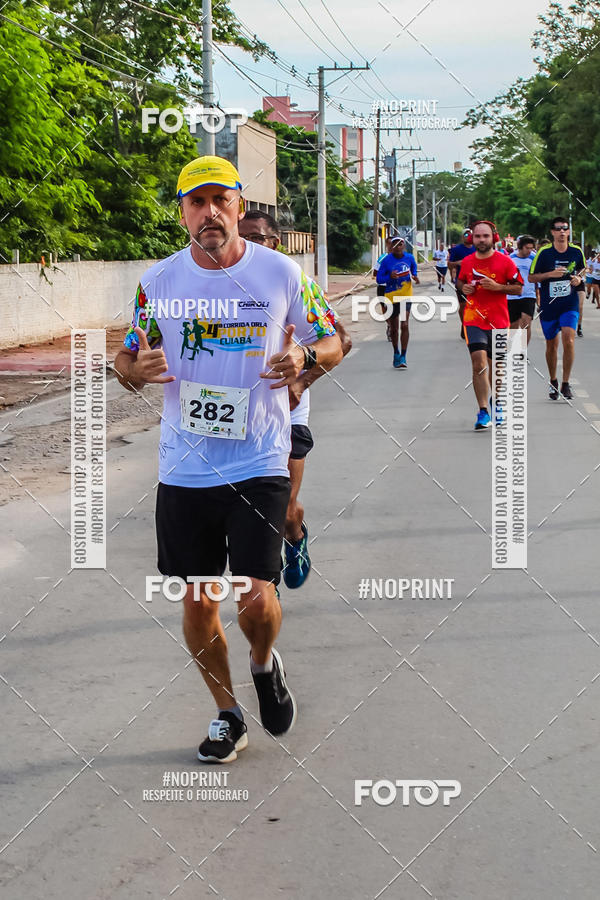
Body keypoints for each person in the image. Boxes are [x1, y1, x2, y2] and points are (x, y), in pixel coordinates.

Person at [113, 156, 343, 763]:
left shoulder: (280, 273)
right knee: (197, 598)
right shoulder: (157, 283)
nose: (209, 211)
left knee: (254, 596)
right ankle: (227, 714)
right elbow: (126, 359)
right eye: (196, 201)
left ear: (240, 205)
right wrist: (133, 369)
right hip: (184, 465)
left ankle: (264, 664)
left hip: (259, 457)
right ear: (183, 211)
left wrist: (306, 360)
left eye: (220, 199)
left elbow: (333, 339)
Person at [238, 210, 352, 590]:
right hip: (232, 415)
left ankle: (295, 537)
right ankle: (259, 582)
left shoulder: (291, 280)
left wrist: (302, 379)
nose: (248, 245)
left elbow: (342, 341)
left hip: (287, 412)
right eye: (242, 237)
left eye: (257, 238)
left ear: (275, 243)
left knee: (282, 507)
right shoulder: (216, 282)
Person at [456, 220, 523, 430]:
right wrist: (464, 288)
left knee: (497, 367)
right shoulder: (467, 262)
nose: (481, 240)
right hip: (473, 319)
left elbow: (518, 288)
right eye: (477, 236)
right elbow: (460, 282)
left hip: (499, 321)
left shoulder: (505, 262)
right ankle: (483, 410)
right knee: (478, 363)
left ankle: (498, 404)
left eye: (485, 236)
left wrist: (497, 287)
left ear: (493, 237)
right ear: (471, 238)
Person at [529, 216, 585, 400]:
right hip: (549, 304)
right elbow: (531, 278)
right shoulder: (544, 253)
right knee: (552, 344)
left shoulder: (577, 252)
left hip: (569, 303)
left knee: (569, 339)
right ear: (552, 232)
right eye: (558, 228)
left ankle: (566, 383)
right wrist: (550, 274)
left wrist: (578, 279)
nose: (562, 231)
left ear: (568, 232)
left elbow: (582, 271)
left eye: (565, 228)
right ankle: (553, 380)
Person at [376, 236, 419, 368]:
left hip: (406, 295)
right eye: (395, 244)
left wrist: (415, 276)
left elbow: (414, 269)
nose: (398, 247)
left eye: (400, 244)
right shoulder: (386, 260)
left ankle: (403, 356)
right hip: (391, 296)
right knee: (394, 328)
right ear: (391, 247)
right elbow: (378, 278)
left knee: (404, 325)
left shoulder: (410, 258)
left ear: (404, 246)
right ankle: (396, 352)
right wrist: (390, 276)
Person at [508, 235, 537, 344]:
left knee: (526, 324)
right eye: (527, 248)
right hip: (512, 295)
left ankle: (523, 352)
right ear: (520, 247)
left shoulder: (534, 258)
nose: (529, 251)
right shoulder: (511, 258)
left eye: (531, 248)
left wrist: (538, 294)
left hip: (528, 295)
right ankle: (511, 348)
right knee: (513, 326)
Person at [449, 228, 476, 339]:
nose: (468, 236)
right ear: (462, 236)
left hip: (476, 282)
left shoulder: (477, 248)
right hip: (462, 282)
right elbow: (449, 265)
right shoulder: (456, 250)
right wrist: (457, 263)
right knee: (464, 305)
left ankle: (471, 326)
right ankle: (464, 324)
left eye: (470, 234)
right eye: (466, 234)